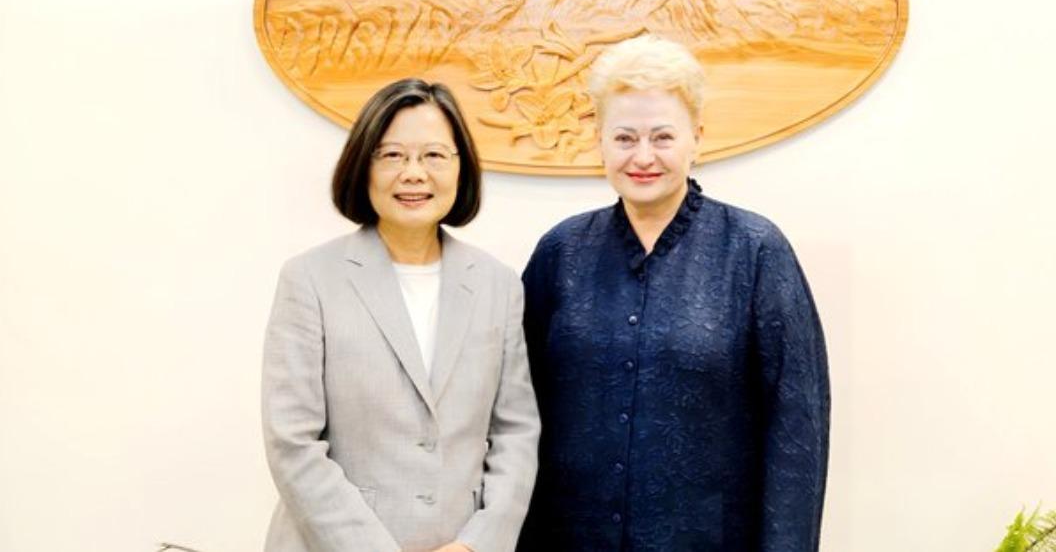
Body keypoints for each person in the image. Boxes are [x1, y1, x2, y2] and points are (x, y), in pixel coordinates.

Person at [517, 36, 831, 551]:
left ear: (697, 139)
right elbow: (517, 412)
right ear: (599, 139)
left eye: (663, 137)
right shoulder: (561, 253)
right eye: (624, 138)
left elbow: (797, 427)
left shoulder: (754, 251)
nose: (643, 157)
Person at [262, 78, 539, 552]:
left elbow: (515, 430)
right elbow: (292, 441)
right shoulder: (310, 278)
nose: (414, 173)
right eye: (391, 155)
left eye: (434, 155)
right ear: (362, 165)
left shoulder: (499, 285)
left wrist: (479, 542)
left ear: (461, 168)